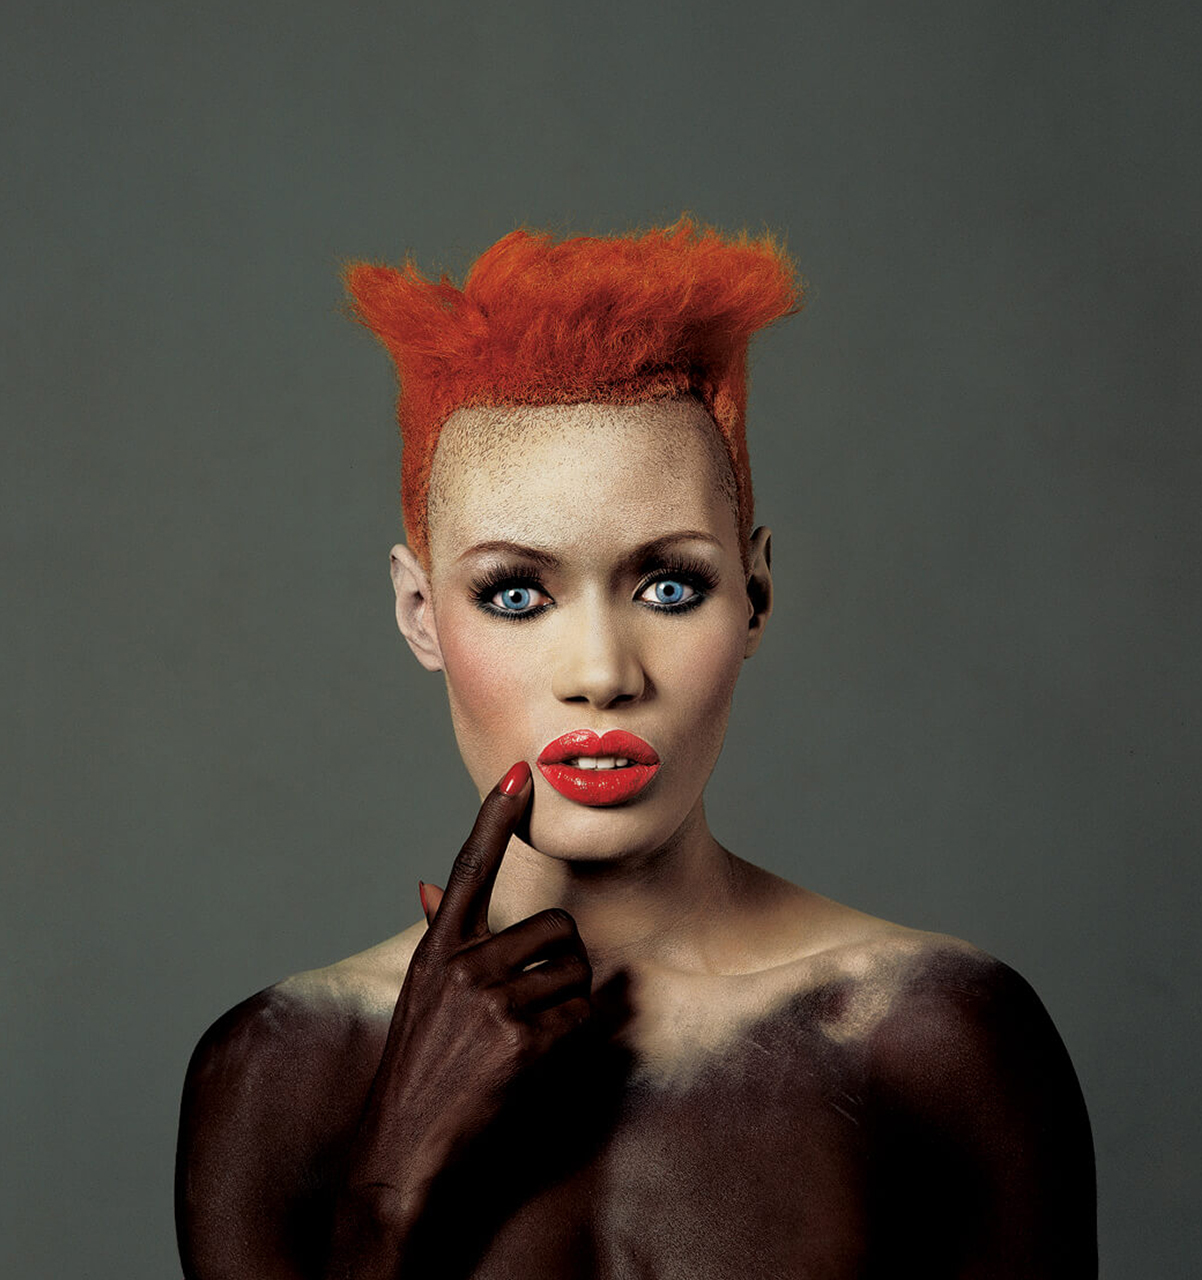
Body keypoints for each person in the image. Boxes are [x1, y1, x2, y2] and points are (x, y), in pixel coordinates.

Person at [174, 217, 1097, 1278]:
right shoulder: (282, 1073)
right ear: (420, 612)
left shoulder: (933, 1041)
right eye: (514, 594)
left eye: (668, 586)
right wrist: (387, 1195)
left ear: (754, 595)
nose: (603, 671)